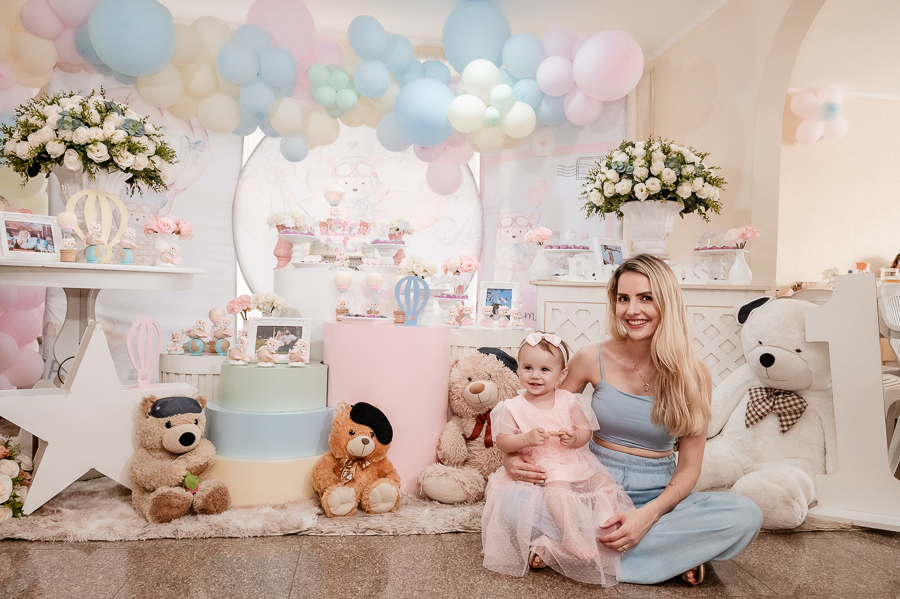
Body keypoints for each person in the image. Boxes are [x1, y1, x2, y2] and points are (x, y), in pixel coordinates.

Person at [500, 253, 763, 586]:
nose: (632, 310)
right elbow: (543, 418)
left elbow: (689, 467)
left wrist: (647, 516)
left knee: (745, 514)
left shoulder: (695, 374)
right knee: (513, 501)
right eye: (623, 298)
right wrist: (510, 459)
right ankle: (669, 556)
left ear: (666, 303)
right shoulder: (591, 357)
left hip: (656, 498)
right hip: (590, 488)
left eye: (646, 298)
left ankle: (574, 553)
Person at [481, 332, 634, 585]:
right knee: (558, 482)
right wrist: (525, 439)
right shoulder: (512, 406)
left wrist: (574, 438)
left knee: (603, 483)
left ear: (561, 375)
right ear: (518, 369)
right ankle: (570, 535)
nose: (535, 375)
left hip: (575, 460)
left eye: (544, 369)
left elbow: (585, 431)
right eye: (528, 368)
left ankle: (601, 523)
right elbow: (503, 441)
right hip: (543, 465)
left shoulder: (570, 400)